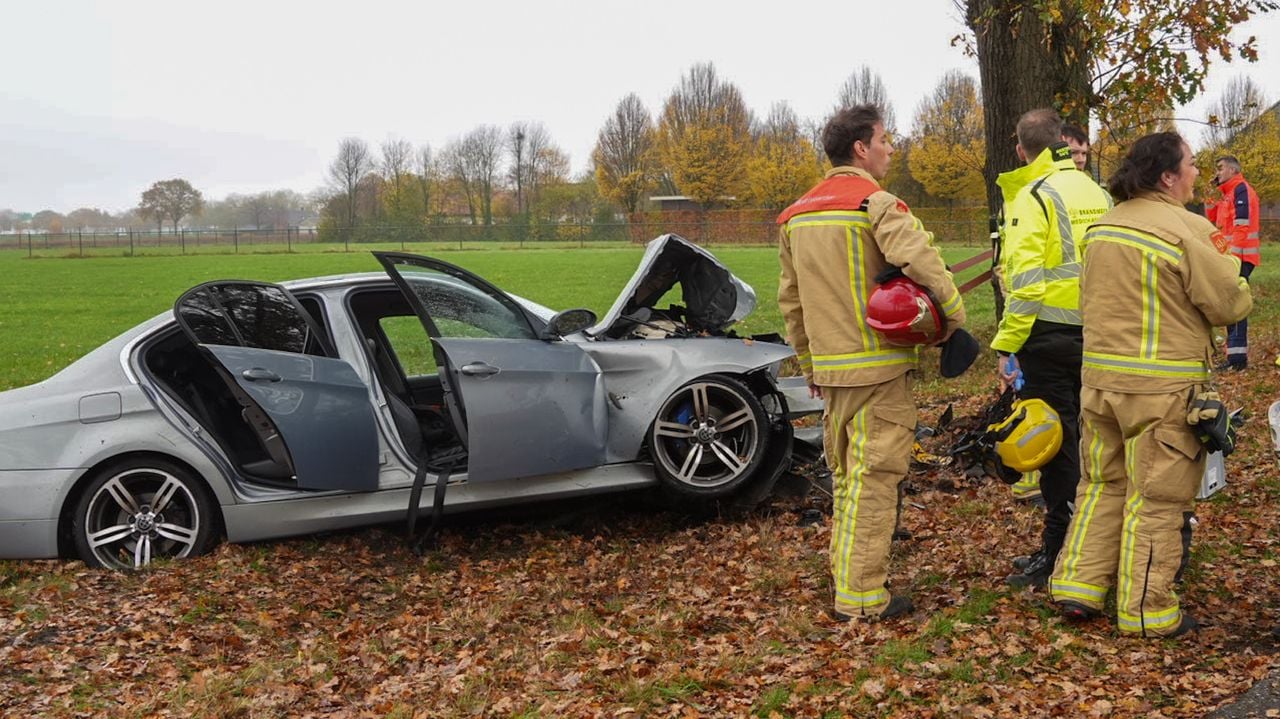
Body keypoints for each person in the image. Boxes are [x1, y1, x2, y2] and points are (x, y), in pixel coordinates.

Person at [1049, 132, 1251, 638]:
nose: (1196, 174)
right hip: (1162, 390)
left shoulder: (1101, 228)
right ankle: (1147, 611)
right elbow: (1229, 304)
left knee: (1100, 485)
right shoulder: (1188, 230)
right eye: (1190, 165)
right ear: (1167, 175)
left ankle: (1078, 585)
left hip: (1098, 384)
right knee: (1158, 498)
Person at [777, 105, 965, 621]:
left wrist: (811, 365)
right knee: (875, 479)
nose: (889, 148)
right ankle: (861, 599)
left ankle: (849, 582)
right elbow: (925, 263)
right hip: (879, 369)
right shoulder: (875, 204)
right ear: (861, 148)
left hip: (833, 373)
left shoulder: (796, 216)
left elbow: (791, 302)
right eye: (884, 140)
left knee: (846, 480)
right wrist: (951, 321)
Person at [992, 109, 1113, 588]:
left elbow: (1025, 287)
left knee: (1056, 444)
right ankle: (1095, 547)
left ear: (1021, 150)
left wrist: (1006, 346)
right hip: (1101, 336)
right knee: (1096, 443)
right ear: (1064, 141)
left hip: (1048, 337)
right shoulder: (1096, 191)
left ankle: (1059, 552)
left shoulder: (1032, 196)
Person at [1205, 155, 1260, 371]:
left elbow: (1242, 226)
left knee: (1235, 302)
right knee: (1230, 301)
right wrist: (1209, 195)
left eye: (1220, 168)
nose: (1217, 173)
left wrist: (1233, 258)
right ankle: (1234, 355)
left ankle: (1237, 360)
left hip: (1241, 257)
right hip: (1232, 257)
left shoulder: (1241, 190)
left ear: (1233, 170)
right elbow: (1211, 217)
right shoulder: (1227, 195)